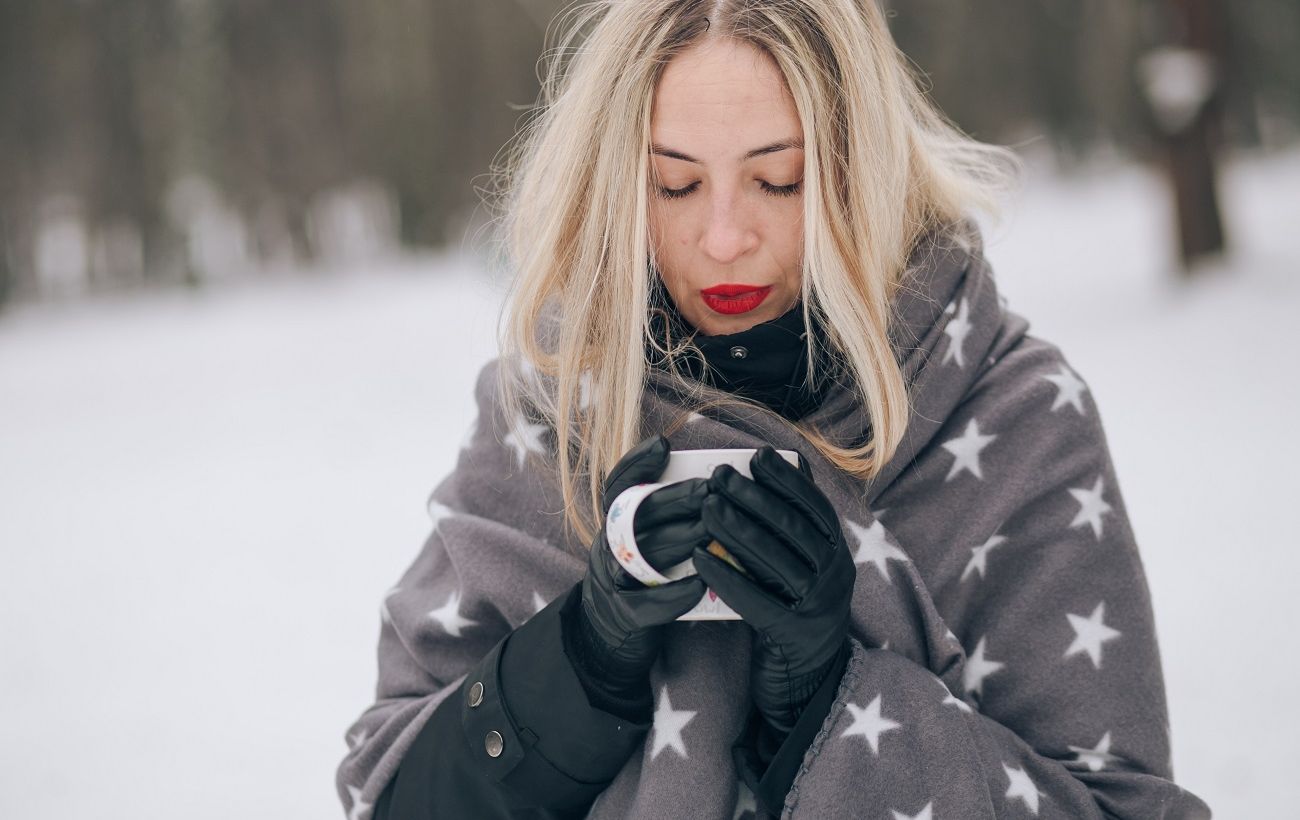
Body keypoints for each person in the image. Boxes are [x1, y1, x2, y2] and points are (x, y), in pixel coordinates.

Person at [336, 2, 1211, 818]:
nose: (723, 236)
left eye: (780, 181)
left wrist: (830, 706)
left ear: (860, 173)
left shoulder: (1013, 415)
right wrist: (579, 665)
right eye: (675, 186)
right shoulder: (549, 409)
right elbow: (392, 796)